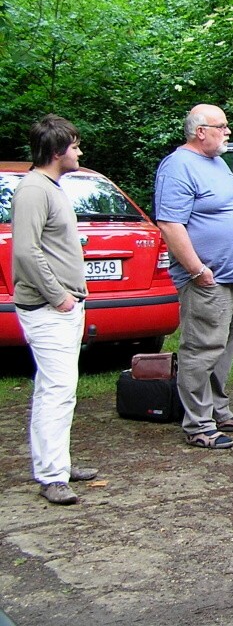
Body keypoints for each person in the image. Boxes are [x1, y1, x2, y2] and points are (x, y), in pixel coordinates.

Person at [155, 104, 233, 449]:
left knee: (227, 341)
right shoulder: (178, 166)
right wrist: (197, 269)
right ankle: (198, 424)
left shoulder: (216, 163)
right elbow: (170, 224)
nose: (228, 131)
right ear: (200, 131)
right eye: (222, 126)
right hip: (207, 278)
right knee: (202, 347)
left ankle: (218, 409)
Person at [12, 116, 98, 504]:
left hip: (63, 305)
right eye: (75, 146)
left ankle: (57, 464)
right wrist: (59, 295)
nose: (79, 152)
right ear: (57, 151)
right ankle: (51, 475)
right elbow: (26, 251)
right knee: (57, 390)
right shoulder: (33, 189)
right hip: (49, 308)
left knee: (60, 388)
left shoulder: (51, 186)